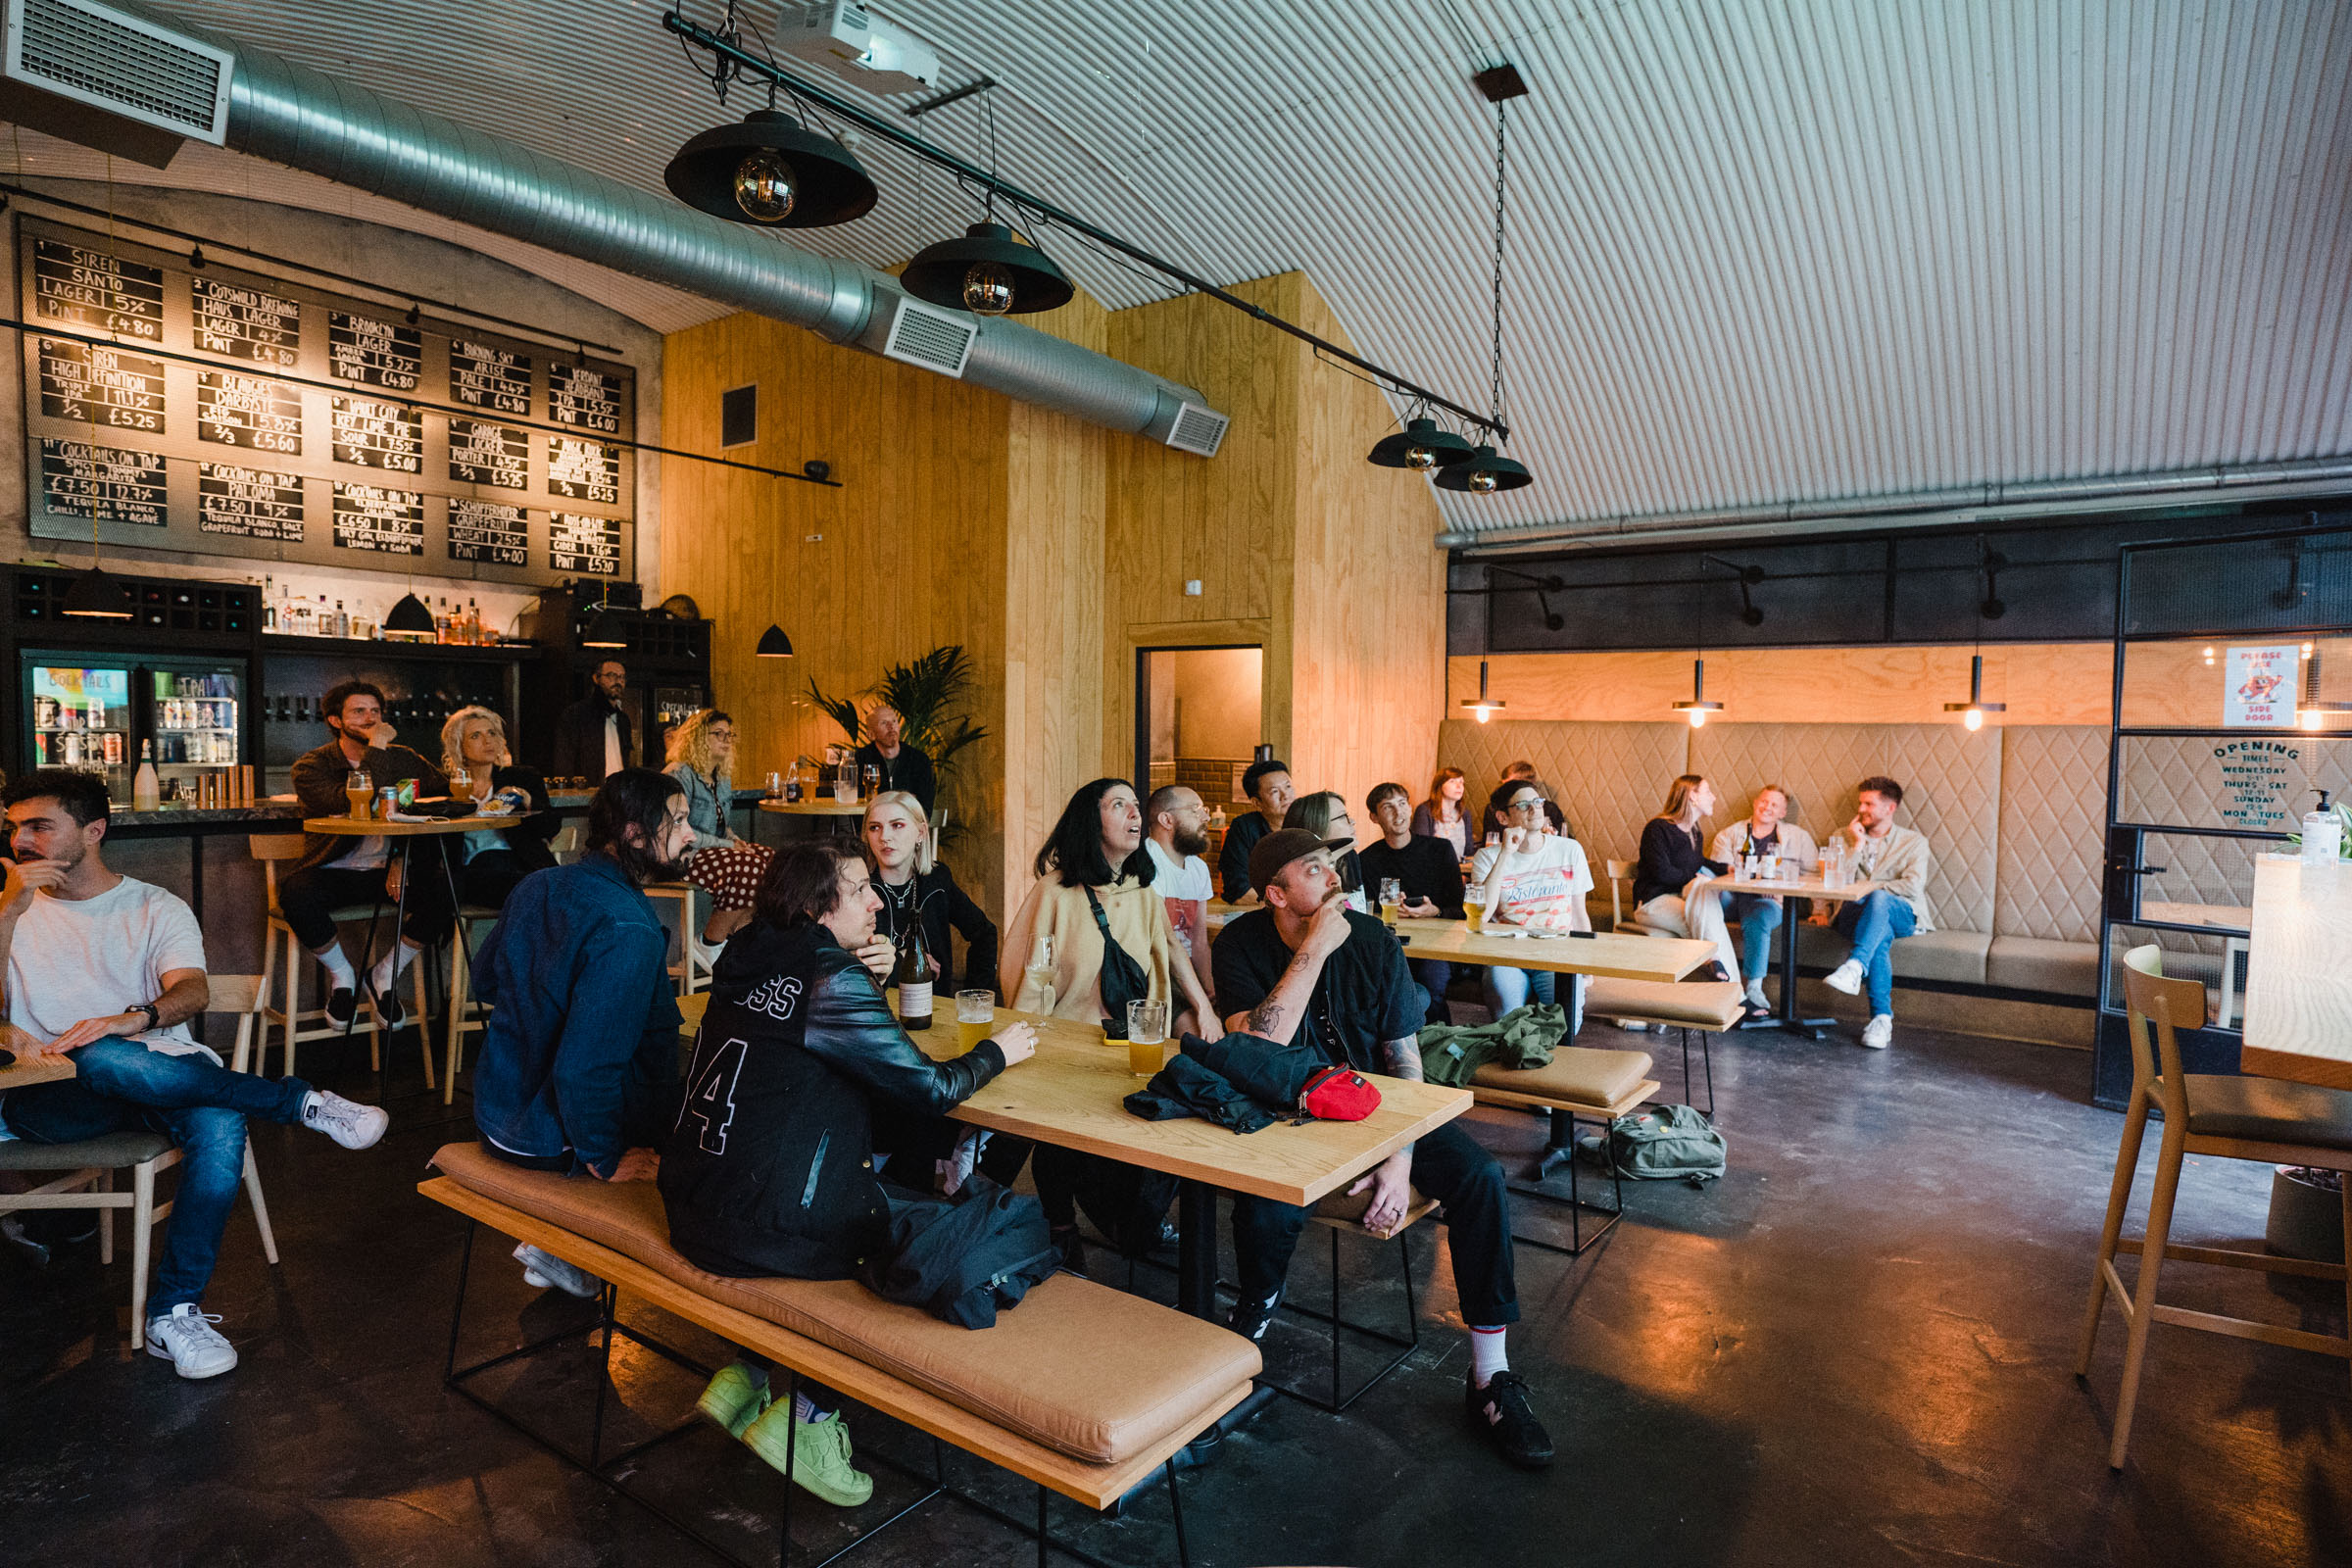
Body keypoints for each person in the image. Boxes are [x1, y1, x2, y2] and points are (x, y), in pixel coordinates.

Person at [662, 840, 1037, 1507]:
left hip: (695, 1202)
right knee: (957, 1236)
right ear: (816, 904)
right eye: (860, 888)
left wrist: (864, 978)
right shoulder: (829, 976)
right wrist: (997, 1052)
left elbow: (809, 1029)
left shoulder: (750, 948)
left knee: (897, 1190)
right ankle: (807, 1420)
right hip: (767, 1232)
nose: (875, 901)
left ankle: (745, 1375)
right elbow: (925, 1085)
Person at [0, 770, 386, 1378]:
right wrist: (6, 915)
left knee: (217, 1121)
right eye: (15, 826)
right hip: (48, 1097)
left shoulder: (155, 905)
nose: (21, 841)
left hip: (160, 1078)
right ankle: (297, 1102)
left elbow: (194, 991)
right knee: (95, 1058)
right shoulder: (6, 909)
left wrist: (135, 1018)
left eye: (39, 826)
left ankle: (172, 1313)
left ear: (94, 831)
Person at [1211, 827, 1552, 1469]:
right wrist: (1313, 948)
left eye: (1330, 863)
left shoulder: (1373, 940)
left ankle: (1491, 1376)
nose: (1333, 875)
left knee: (1480, 1176)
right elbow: (1256, 1047)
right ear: (1275, 894)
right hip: (1288, 1112)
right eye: (1314, 870)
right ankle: (1251, 1321)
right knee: (1268, 1204)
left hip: (1381, 1110)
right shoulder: (1240, 942)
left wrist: (1400, 1159)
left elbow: (1405, 1063)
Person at [469, 768, 692, 1298]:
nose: (691, 835)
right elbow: (584, 1069)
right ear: (636, 834)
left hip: (496, 1112)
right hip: (549, 1139)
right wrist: (604, 1156)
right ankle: (561, 1240)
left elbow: (485, 977)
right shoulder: (629, 930)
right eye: (679, 821)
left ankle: (559, 1249)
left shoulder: (538, 882)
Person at [1000, 778, 1215, 1268]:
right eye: (1119, 805)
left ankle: (1128, 1222)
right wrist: (1024, 1044)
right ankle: (1060, 1227)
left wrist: (1203, 1007)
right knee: (1060, 1138)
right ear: (1090, 819)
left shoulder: (1142, 888)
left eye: (1136, 805)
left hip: (1133, 1042)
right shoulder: (1055, 891)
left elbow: (1170, 949)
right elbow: (1028, 973)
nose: (1134, 814)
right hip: (1068, 1043)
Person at [282, 679, 452, 1028]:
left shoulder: (406, 759)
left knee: (447, 888)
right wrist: (377, 749)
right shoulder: (311, 767)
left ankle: (385, 974)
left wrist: (403, 857)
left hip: (388, 873)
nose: (370, 719)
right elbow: (348, 801)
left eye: (376, 712)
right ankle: (343, 977)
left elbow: (444, 800)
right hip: (335, 869)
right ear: (335, 721)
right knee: (295, 892)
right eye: (359, 712)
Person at [1469, 777, 1592, 1034]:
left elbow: (1579, 914)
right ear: (1503, 818)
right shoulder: (1487, 857)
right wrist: (1504, 854)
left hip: (1556, 954)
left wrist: (1586, 965)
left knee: (1565, 1025)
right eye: (1524, 805)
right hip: (1507, 954)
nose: (1535, 809)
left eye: (1537, 802)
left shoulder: (1570, 850)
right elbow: (1481, 918)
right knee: (1507, 1023)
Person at [1822, 777, 1934, 1051]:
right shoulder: (1842, 836)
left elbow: (1912, 885)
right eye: (1861, 802)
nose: (1862, 809)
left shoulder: (1913, 842)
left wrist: (1872, 890)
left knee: (1880, 900)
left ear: (1890, 808)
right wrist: (1857, 846)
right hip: (1852, 914)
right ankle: (1880, 1016)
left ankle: (1857, 968)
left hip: (1902, 913)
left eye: (1869, 803)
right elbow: (1834, 882)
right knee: (1879, 937)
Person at [863, 790, 997, 996]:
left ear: (920, 832)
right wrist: (904, 961)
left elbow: (984, 934)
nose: (885, 837)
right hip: (874, 1008)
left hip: (934, 1008)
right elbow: (843, 957)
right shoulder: (858, 887)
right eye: (875, 827)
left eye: (897, 825)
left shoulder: (936, 880)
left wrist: (974, 997)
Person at [1359, 781, 1465, 1023]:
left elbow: (1461, 909)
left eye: (1402, 804)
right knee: (1379, 984)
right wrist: (1386, 909)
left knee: (1431, 981)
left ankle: (1438, 1037)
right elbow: (1363, 910)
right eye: (1388, 807)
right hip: (1390, 942)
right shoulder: (1366, 859)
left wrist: (1434, 911)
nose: (1398, 813)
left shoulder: (1440, 849)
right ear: (1374, 817)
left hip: (1437, 943)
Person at [1710, 785, 1819, 1020]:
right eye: (1764, 802)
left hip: (1771, 903)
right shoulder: (1728, 835)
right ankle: (1712, 985)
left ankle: (1754, 988)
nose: (1767, 807)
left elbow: (1814, 876)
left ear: (1782, 813)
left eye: (1774, 805)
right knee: (1707, 903)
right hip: (1733, 899)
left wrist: (1821, 910)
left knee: (1757, 915)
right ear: (1755, 803)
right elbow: (1718, 873)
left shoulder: (1799, 838)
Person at [439, 707, 559, 910]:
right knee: (537, 893)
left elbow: (551, 828)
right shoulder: (447, 789)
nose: (488, 741)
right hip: (475, 869)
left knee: (558, 888)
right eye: (476, 735)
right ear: (459, 746)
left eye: (492, 733)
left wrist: (528, 800)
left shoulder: (522, 777)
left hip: (522, 863)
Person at [1632, 775, 1740, 985]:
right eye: (1708, 792)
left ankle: (1719, 970)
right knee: (1707, 917)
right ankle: (1734, 992)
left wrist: (1726, 868)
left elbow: (1698, 861)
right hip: (1653, 903)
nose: (1714, 797)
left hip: (1682, 899)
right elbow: (1661, 873)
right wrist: (1694, 877)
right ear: (1692, 796)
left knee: (1705, 909)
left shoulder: (1695, 832)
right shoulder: (1658, 829)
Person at [1143, 783, 1216, 1004]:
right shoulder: (1146, 863)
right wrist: (1201, 1003)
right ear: (1167, 820)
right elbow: (1166, 944)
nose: (1205, 818)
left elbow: (1199, 942)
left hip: (1187, 979)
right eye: (1196, 810)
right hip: (1155, 979)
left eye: (1205, 810)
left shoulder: (1198, 868)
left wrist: (1213, 993)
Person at [664, 708, 746, 854]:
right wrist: (727, 845)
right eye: (719, 734)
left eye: (729, 734)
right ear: (699, 737)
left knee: (767, 856)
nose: (727, 740)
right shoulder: (679, 774)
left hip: (716, 850)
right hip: (686, 854)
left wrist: (735, 840)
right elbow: (677, 829)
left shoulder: (722, 776)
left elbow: (722, 827)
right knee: (753, 865)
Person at [1216, 757, 1294, 905]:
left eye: (1288, 786)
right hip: (1260, 911)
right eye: (1275, 791)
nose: (1286, 796)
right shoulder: (1243, 828)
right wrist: (1286, 906)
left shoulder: (1307, 822)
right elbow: (1238, 890)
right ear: (1257, 803)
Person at [1281, 791, 1367, 911]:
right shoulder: (1301, 877)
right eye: (1343, 817)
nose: (1352, 822)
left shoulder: (1349, 857)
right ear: (1318, 826)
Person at [551, 658, 633, 783]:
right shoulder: (576, 714)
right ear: (596, 678)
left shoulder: (623, 720)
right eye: (612, 675)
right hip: (589, 790)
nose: (618, 681)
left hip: (619, 790)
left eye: (622, 677)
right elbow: (564, 760)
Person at [854, 704, 936, 817]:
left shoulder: (919, 759)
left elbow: (925, 808)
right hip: (873, 827)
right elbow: (857, 804)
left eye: (894, 721)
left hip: (908, 828)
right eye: (883, 723)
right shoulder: (860, 759)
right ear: (871, 734)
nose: (891, 727)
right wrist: (906, 800)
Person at [1479, 760, 1567, 841]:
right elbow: (1489, 842)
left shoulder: (1550, 809)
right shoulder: (1494, 809)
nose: (1504, 790)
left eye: (1511, 785)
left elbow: (1564, 840)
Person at [1411, 766, 1472, 860]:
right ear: (1439, 785)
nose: (1459, 786)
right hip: (1432, 869)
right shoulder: (1424, 810)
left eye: (1461, 782)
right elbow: (1420, 849)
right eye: (1452, 782)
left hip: (1460, 869)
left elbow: (1468, 851)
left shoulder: (1464, 813)